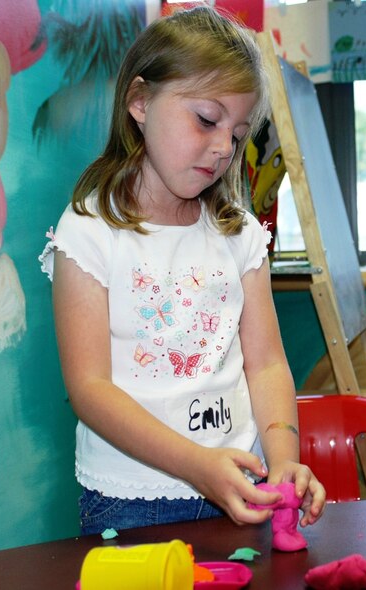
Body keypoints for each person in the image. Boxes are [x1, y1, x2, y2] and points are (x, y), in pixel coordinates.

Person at [39, 6, 325, 534]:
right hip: (130, 500)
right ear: (141, 101)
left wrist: (283, 458)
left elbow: (265, 366)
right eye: (206, 119)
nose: (222, 149)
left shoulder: (239, 234)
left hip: (243, 484)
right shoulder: (88, 231)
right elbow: (90, 388)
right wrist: (198, 465)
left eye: (237, 135)